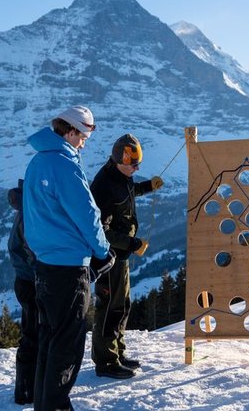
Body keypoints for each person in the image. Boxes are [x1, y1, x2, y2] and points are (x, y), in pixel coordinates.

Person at [23, 106, 113, 411]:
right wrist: (103, 252)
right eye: (83, 136)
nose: (84, 142)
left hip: (44, 265)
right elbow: (88, 214)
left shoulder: (37, 162)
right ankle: (57, 406)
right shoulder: (64, 165)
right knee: (68, 344)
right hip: (69, 267)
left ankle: (45, 405)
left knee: (49, 338)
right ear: (70, 131)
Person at [90, 133, 164, 379]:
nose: (137, 168)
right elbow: (101, 229)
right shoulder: (104, 185)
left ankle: (117, 354)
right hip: (108, 257)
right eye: (133, 164)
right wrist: (132, 243)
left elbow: (128, 191)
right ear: (118, 159)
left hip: (121, 256)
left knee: (122, 306)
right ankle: (106, 362)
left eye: (138, 164)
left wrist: (147, 186)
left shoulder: (121, 176)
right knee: (110, 308)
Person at [7, 179, 39, 405]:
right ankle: (26, 390)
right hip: (31, 281)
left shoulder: (27, 210)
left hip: (25, 280)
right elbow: (35, 252)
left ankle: (30, 385)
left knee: (33, 331)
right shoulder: (30, 215)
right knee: (33, 333)